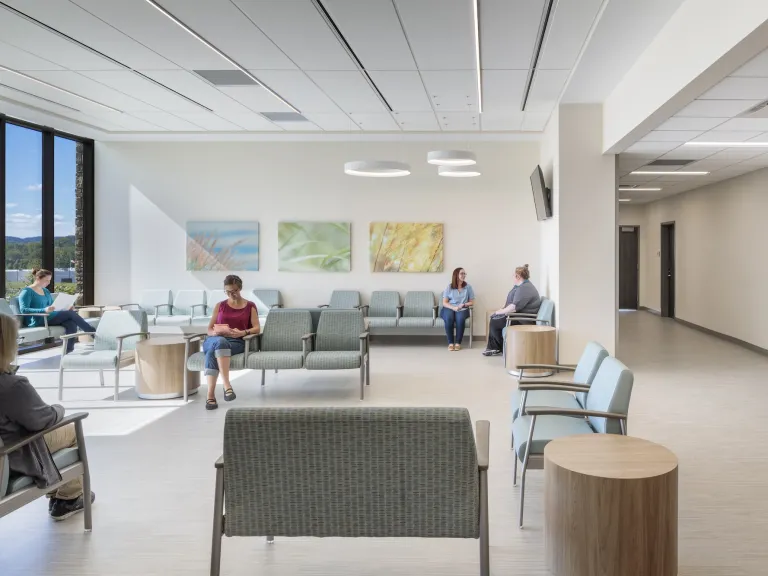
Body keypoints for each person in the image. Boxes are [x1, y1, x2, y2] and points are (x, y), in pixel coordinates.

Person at [0, 313, 95, 521]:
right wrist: (58, 409)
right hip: (12, 455)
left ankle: (59, 491)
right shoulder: (12, 386)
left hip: (6, 449)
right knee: (69, 430)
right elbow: (42, 420)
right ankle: (69, 498)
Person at [203, 275, 260, 410]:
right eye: (227, 291)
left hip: (235, 342)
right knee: (219, 342)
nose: (231, 294)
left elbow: (257, 328)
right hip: (214, 339)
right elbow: (209, 328)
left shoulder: (250, 306)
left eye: (234, 291)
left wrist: (242, 332)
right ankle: (226, 385)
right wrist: (215, 333)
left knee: (213, 352)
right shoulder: (220, 306)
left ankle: (210, 396)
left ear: (240, 288)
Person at [18, 268, 95, 354]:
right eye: (46, 280)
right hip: (38, 319)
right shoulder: (27, 291)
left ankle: (67, 351)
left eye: (49, 280)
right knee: (70, 315)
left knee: (71, 323)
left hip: (49, 316)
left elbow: (52, 306)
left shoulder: (46, 291)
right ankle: (93, 333)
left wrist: (66, 307)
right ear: (38, 278)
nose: (48, 283)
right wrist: (44, 310)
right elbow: (23, 310)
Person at [483, 264, 541, 357]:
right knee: (495, 318)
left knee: (495, 321)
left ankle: (501, 348)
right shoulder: (522, 286)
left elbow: (514, 307)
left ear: (518, 276)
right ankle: (495, 347)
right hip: (519, 316)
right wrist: (501, 310)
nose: (512, 277)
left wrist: (498, 312)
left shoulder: (524, 288)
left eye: (513, 276)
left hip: (524, 320)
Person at [440, 267, 475, 351]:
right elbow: (444, 302)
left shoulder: (468, 287)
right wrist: (453, 307)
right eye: (461, 273)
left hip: (462, 309)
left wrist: (463, 304)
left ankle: (458, 343)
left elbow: (472, 302)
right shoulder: (449, 287)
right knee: (449, 318)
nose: (464, 275)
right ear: (456, 275)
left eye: (464, 274)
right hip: (449, 308)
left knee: (460, 319)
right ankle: (451, 343)